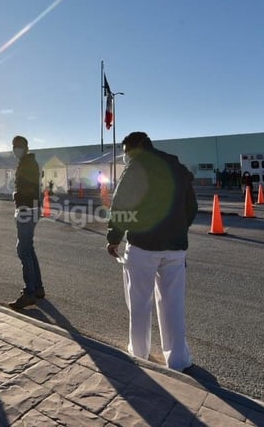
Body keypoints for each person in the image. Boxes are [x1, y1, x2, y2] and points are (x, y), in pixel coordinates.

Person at [106, 131, 198, 372]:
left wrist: (114, 237)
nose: (125, 157)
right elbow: (192, 206)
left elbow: (121, 205)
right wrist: (177, 230)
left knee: (139, 304)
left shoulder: (136, 168)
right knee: (173, 304)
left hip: (143, 247)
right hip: (175, 249)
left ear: (136, 148)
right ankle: (178, 360)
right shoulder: (176, 166)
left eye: (126, 152)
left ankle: (139, 354)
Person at [8, 135, 45, 310]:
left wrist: (16, 195)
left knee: (23, 250)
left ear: (25, 147)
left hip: (26, 209)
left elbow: (29, 189)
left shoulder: (27, 164)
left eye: (18, 146)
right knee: (29, 248)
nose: (16, 149)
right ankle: (37, 288)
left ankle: (29, 293)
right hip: (32, 209)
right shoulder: (28, 163)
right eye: (14, 146)